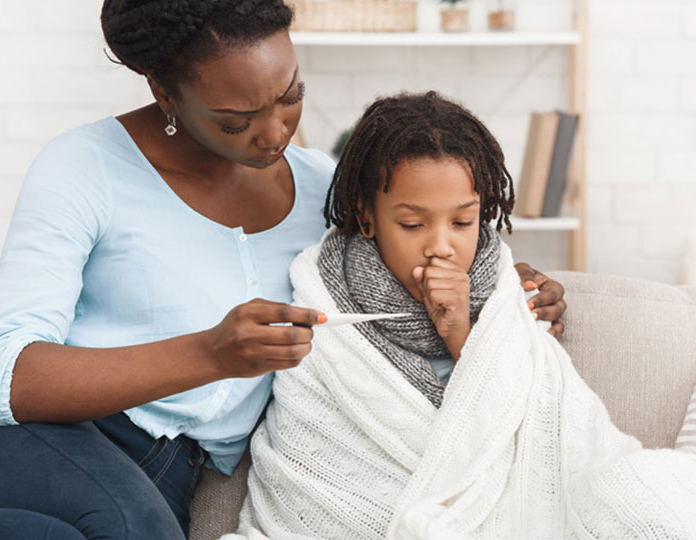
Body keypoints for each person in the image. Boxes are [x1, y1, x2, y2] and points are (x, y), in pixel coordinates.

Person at [0, 2, 566, 540]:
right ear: (165, 94)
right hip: (37, 437)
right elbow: (3, 377)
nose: (274, 133)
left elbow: (412, 271)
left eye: (291, 96)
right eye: (234, 120)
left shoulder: (328, 190)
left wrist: (505, 289)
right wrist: (210, 353)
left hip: (172, 471)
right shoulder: (84, 167)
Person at [226, 91, 696, 539]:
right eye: (412, 224)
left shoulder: (506, 294)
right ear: (367, 217)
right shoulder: (320, 300)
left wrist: (460, 332)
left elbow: (546, 438)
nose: (442, 245)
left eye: (462, 222)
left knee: (639, 496)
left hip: (514, 514)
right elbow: (314, 465)